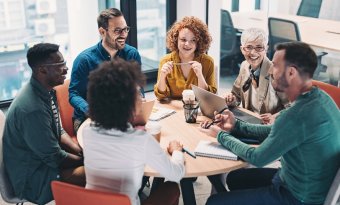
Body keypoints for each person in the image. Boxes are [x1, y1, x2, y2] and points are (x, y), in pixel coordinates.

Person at [200, 41, 340, 205]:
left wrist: (221, 135)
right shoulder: (322, 99)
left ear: (291, 73)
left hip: (297, 197)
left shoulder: (296, 115)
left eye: (274, 65)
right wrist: (235, 125)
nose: (270, 71)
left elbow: (257, 158)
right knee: (235, 179)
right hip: (301, 182)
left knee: (214, 202)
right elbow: (273, 131)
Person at [82, 58, 185, 205]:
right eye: (137, 93)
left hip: (92, 202)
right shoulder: (140, 140)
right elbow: (176, 173)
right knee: (171, 187)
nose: (142, 98)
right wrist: (177, 151)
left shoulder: (88, 132)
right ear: (126, 102)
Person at [3, 43, 85, 204]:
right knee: (103, 172)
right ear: (42, 70)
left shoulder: (45, 91)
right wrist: (86, 159)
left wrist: (80, 151)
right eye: (60, 65)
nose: (66, 70)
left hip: (42, 163)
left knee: (102, 166)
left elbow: (58, 130)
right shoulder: (32, 109)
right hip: (34, 180)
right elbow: (55, 158)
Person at [69, 8, 142, 133]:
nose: (124, 35)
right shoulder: (84, 60)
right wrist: (92, 111)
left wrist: (140, 99)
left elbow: (138, 87)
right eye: (118, 31)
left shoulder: (132, 54)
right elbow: (74, 94)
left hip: (122, 115)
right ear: (102, 32)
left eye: (125, 29)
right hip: (88, 119)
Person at [225, 28, 287, 124]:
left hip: (269, 127)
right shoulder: (244, 66)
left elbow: (294, 107)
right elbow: (236, 96)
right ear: (242, 49)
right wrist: (231, 100)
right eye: (249, 47)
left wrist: (275, 117)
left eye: (259, 47)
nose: (253, 52)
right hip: (248, 122)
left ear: (266, 49)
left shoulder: (276, 72)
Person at [154, 16, 217, 100]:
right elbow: (160, 96)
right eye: (183, 39)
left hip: (197, 109)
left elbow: (209, 97)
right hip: (174, 110)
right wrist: (162, 76)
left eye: (193, 40)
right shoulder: (165, 61)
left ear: (199, 42)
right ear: (176, 40)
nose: (187, 44)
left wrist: (200, 75)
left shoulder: (208, 62)